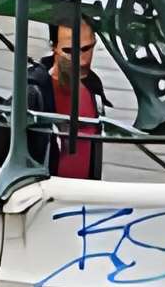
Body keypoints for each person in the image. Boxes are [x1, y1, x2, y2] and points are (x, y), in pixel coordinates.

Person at [20, 9, 106, 180]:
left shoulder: (93, 87)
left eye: (86, 48)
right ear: (54, 47)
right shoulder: (35, 91)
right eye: (69, 51)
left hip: (85, 198)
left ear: (95, 41)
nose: (81, 60)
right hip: (47, 198)